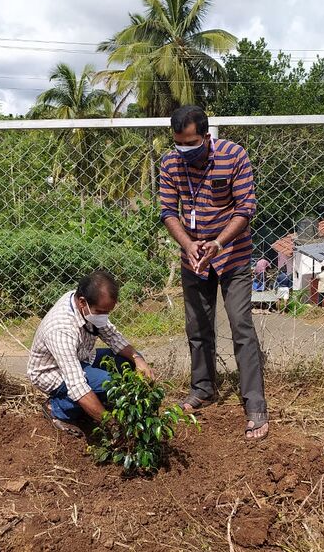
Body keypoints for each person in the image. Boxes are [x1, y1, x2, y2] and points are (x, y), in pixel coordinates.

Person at [159, 105, 268, 441]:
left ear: (206, 136)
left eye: (191, 145)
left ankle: (255, 406)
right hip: (194, 258)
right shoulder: (170, 162)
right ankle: (202, 388)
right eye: (179, 145)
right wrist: (189, 244)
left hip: (231, 255)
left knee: (241, 326)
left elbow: (246, 208)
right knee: (197, 326)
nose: (185, 153)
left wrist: (218, 244)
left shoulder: (234, 156)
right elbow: (167, 211)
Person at [28, 270, 155, 436]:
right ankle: (57, 408)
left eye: (108, 312)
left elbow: (113, 337)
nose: (105, 317)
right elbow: (77, 385)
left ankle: (96, 404)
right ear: (82, 302)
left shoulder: (86, 305)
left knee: (129, 362)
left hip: (82, 357)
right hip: (52, 371)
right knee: (109, 383)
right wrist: (111, 424)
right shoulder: (60, 328)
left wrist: (139, 360)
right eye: (102, 312)